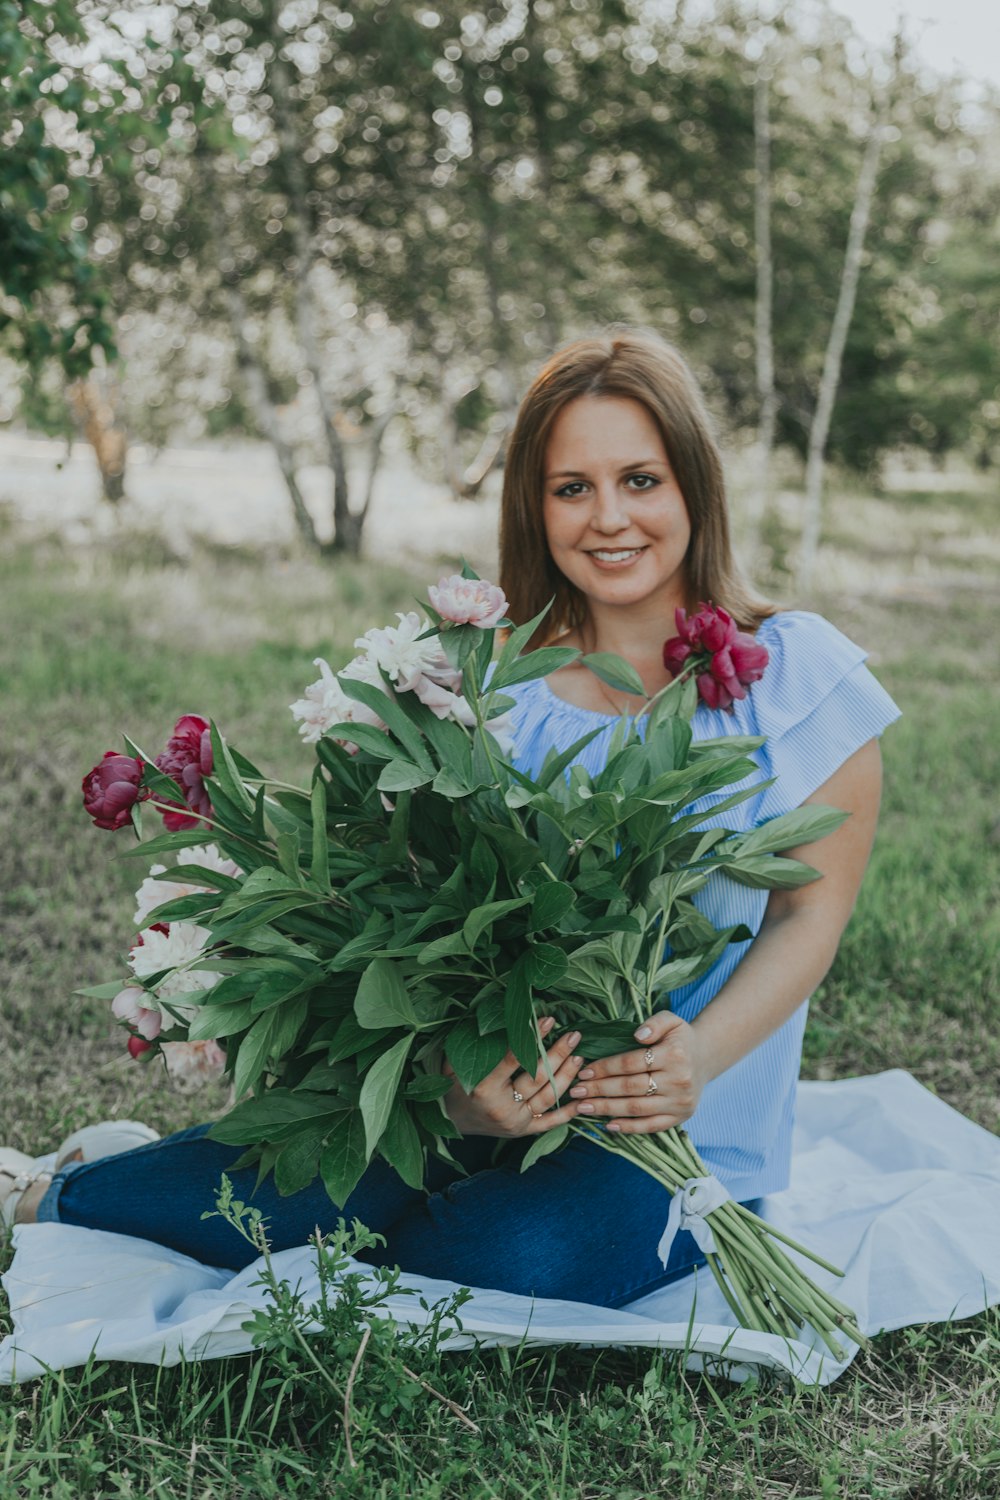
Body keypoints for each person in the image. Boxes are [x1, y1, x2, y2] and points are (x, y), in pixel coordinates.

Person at [0, 328, 900, 1311]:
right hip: (492, 1100)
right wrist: (453, 1085)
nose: (610, 519)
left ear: (692, 485)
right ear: (534, 504)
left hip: (675, 1136)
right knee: (299, 1182)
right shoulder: (491, 697)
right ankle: (58, 1190)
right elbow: (419, 934)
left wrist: (697, 1058)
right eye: (572, 488)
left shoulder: (794, 673)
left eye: (640, 480)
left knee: (495, 1263)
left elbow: (807, 920)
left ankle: (205, 1190)